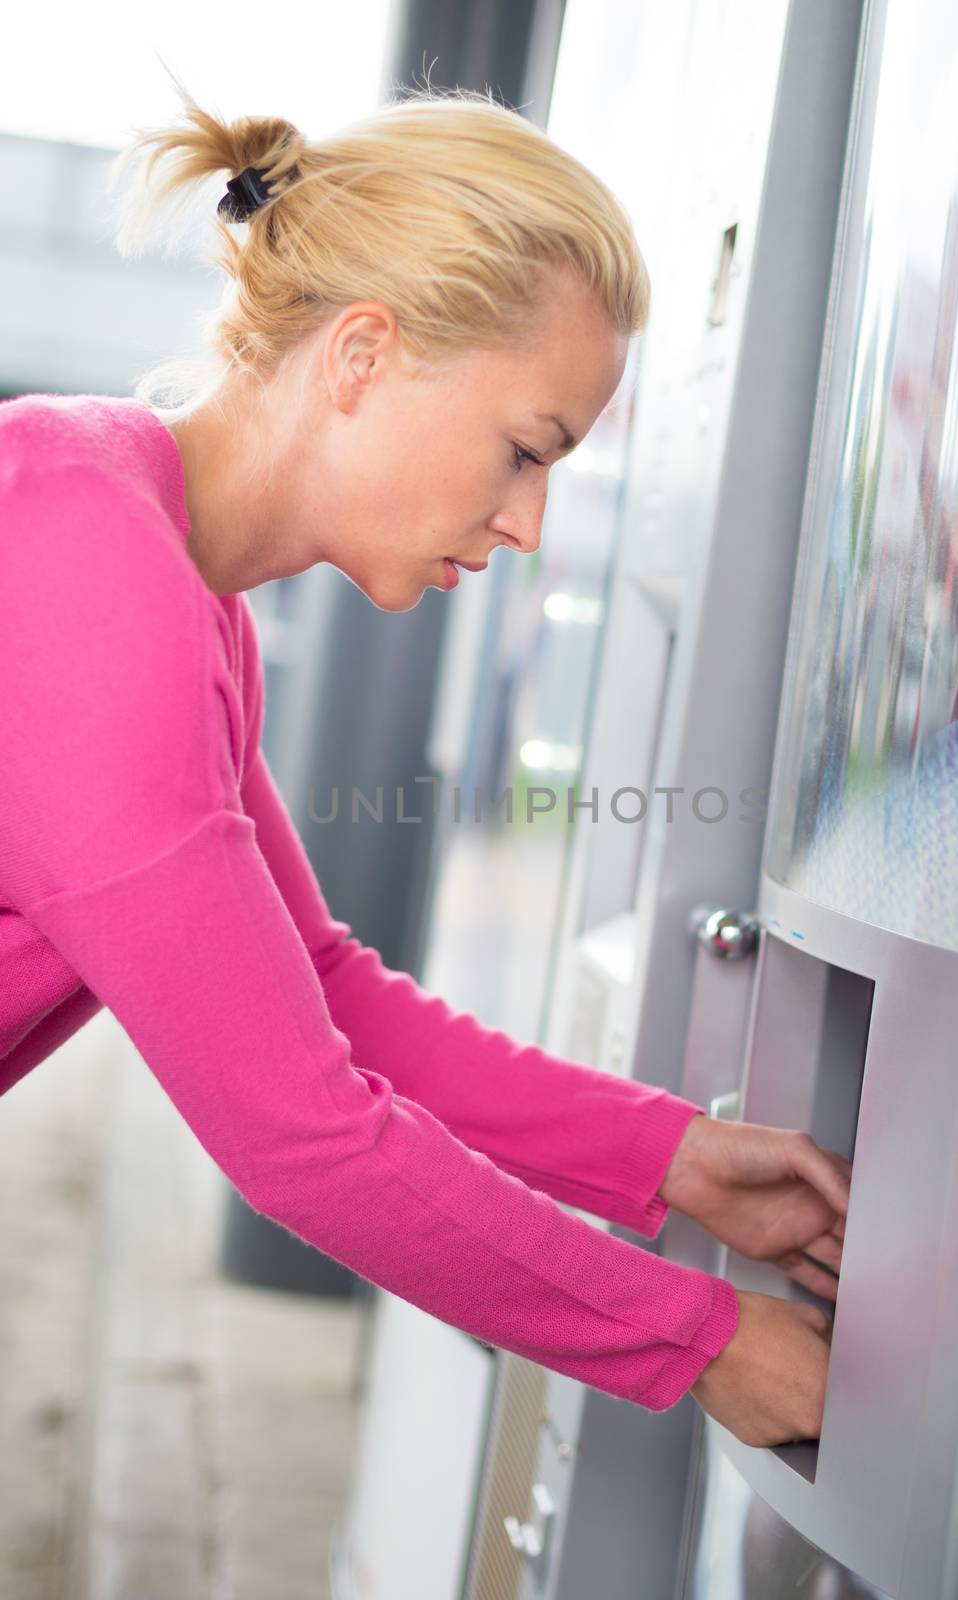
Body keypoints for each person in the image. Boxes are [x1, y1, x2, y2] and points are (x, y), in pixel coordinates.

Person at [0, 79, 849, 1449]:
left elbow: (316, 991)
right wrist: (704, 1341)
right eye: (526, 451)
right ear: (361, 356)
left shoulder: (169, 582)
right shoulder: (81, 570)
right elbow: (303, 1130)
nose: (527, 524)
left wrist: (672, 1159)